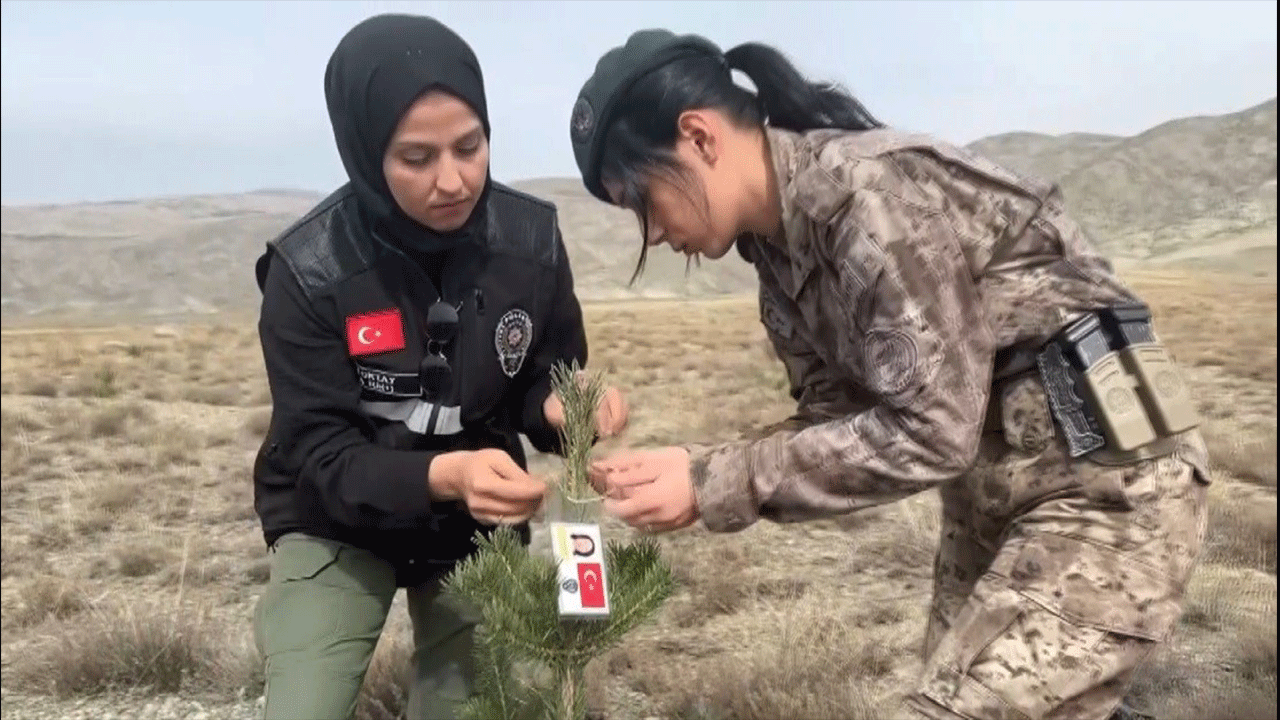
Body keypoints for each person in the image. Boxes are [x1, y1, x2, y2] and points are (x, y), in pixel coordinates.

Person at [570, 29, 1211, 720]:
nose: (654, 234)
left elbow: (932, 430)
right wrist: (699, 466)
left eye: (641, 201)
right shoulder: (779, 262)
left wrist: (713, 482)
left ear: (697, 138)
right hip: (994, 491)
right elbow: (834, 423)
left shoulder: (862, 194)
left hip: (1104, 481)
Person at [249, 14, 628, 720]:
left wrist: (561, 409)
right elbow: (321, 456)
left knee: (476, 707)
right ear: (365, 152)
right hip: (336, 520)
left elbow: (543, 372)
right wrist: (445, 474)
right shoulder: (309, 271)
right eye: (416, 157)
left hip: (472, 527)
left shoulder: (531, 242)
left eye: (470, 145)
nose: (453, 180)